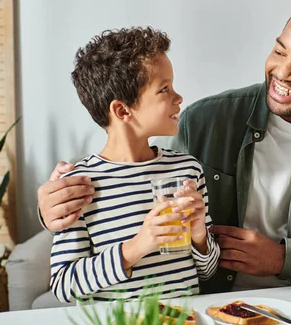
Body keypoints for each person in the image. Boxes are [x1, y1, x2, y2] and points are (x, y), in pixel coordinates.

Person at [39, 0, 291, 295]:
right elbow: (132, 184)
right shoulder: (204, 121)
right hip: (212, 306)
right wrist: (55, 206)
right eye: (279, 51)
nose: (283, 72)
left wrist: (283, 259)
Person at [49, 27, 220, 303]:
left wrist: (199, 233)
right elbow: (64, 285)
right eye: (164, 89)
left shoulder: (187, 170)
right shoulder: (80, 185)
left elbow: (209, 270)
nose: (179, 98)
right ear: (122, 110)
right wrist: (137, 247)